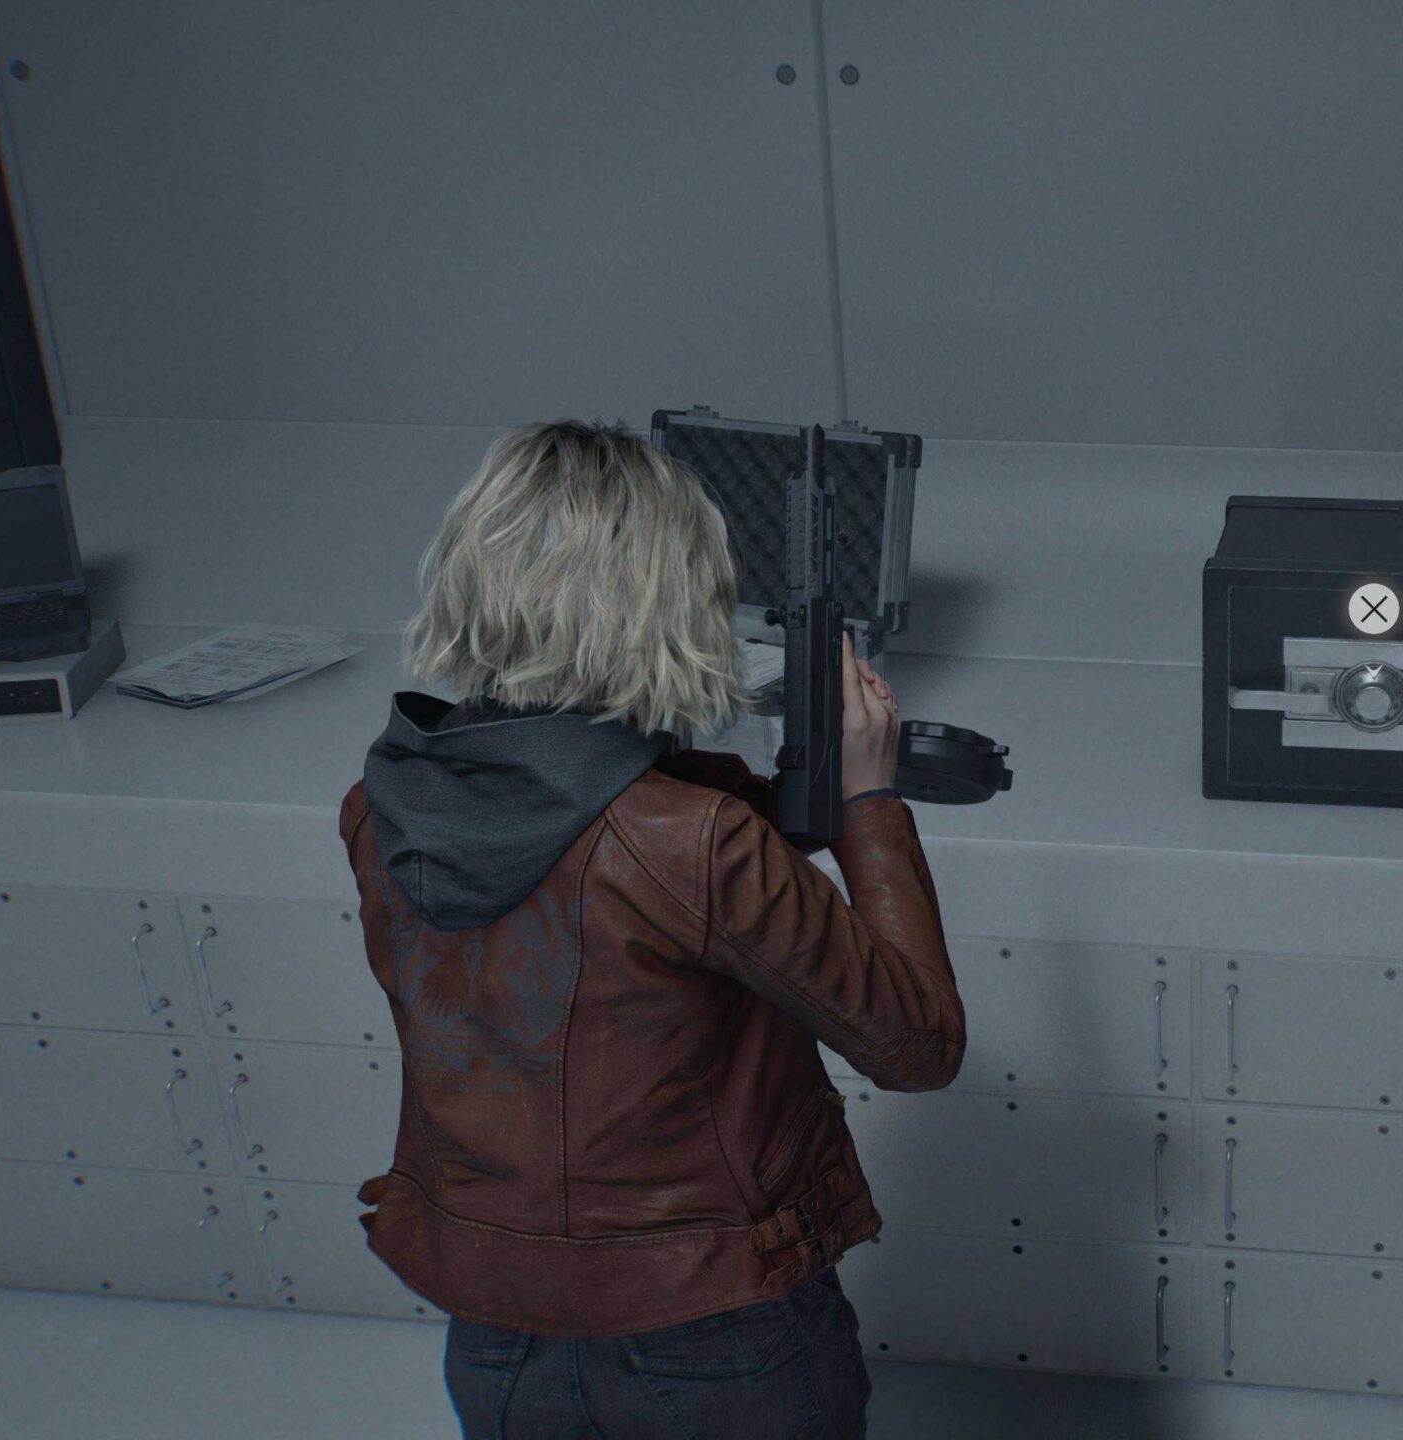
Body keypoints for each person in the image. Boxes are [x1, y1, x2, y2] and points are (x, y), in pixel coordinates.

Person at [337, 420, 963, 1439]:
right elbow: (918, 1045)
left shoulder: (378, 812)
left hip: (495, 1331)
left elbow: (585, 844)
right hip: (712, 1336)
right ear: (670, 606)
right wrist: (867, 800)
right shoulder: (698, 846)